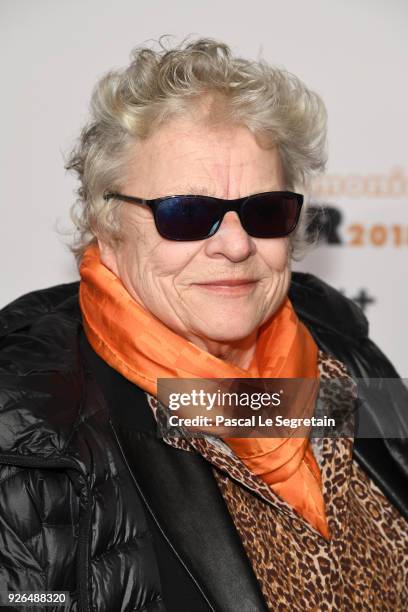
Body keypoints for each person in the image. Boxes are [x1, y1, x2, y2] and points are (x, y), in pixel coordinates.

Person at [0, 38, 407, 612]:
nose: (237, 245)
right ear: (107, 227)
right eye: (187, 213)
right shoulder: (23, 423)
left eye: (265, 210)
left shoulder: (339, 342)